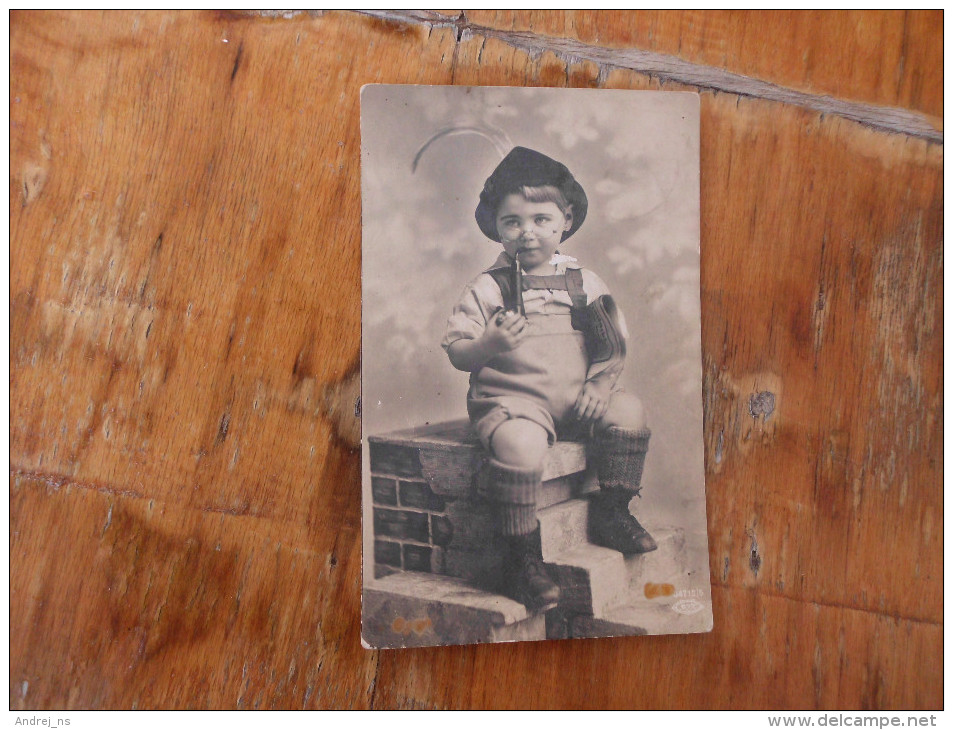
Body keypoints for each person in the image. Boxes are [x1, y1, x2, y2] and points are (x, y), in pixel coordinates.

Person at [441, 147, 655, 612]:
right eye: (512, 222)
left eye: (541, 219)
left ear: (566, 219)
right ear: (497, 227)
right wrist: (487, 347)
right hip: (516, 402)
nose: (527, 233)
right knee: (521, 445)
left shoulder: (584, 283)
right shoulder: (488, 287)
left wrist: (598, 387)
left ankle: (612, 510)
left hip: (576, 399)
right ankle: (521, 558)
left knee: (629, 409)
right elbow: (459, 351)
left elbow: (613, 344)